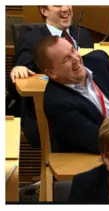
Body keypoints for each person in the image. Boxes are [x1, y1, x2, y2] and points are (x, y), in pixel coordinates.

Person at [35, 35, 109, 153]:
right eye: (66, 59)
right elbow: (100, 143)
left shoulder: (100, 61)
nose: (76, 59)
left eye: (73, 50)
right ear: (52, 73)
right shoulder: (57, 103)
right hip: (90, 161)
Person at [9, 5, 94, 149]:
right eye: (57, 4)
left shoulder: (83, 34)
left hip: (89, 110)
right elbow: (18, 81)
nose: (65, 8)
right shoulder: (31, 38)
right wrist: (19, 70)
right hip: (50, 117)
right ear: (44, 11)